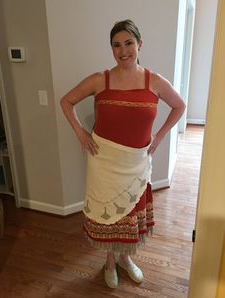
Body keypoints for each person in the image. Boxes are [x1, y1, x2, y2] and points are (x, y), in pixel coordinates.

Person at [60, 19, 186, 288]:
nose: (123, 50)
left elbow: (179, 105)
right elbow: (66, 101)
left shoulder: (154, 81)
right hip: (104, 161)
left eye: (128, 42)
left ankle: (126, 259)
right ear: (112, 49)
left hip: (137, 161)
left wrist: (161, 135)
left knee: (131, 213)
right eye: (116, 45)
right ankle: (109, 261)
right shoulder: (99, 80)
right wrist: (81, 133)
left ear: (140, 44)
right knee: (110, 213)